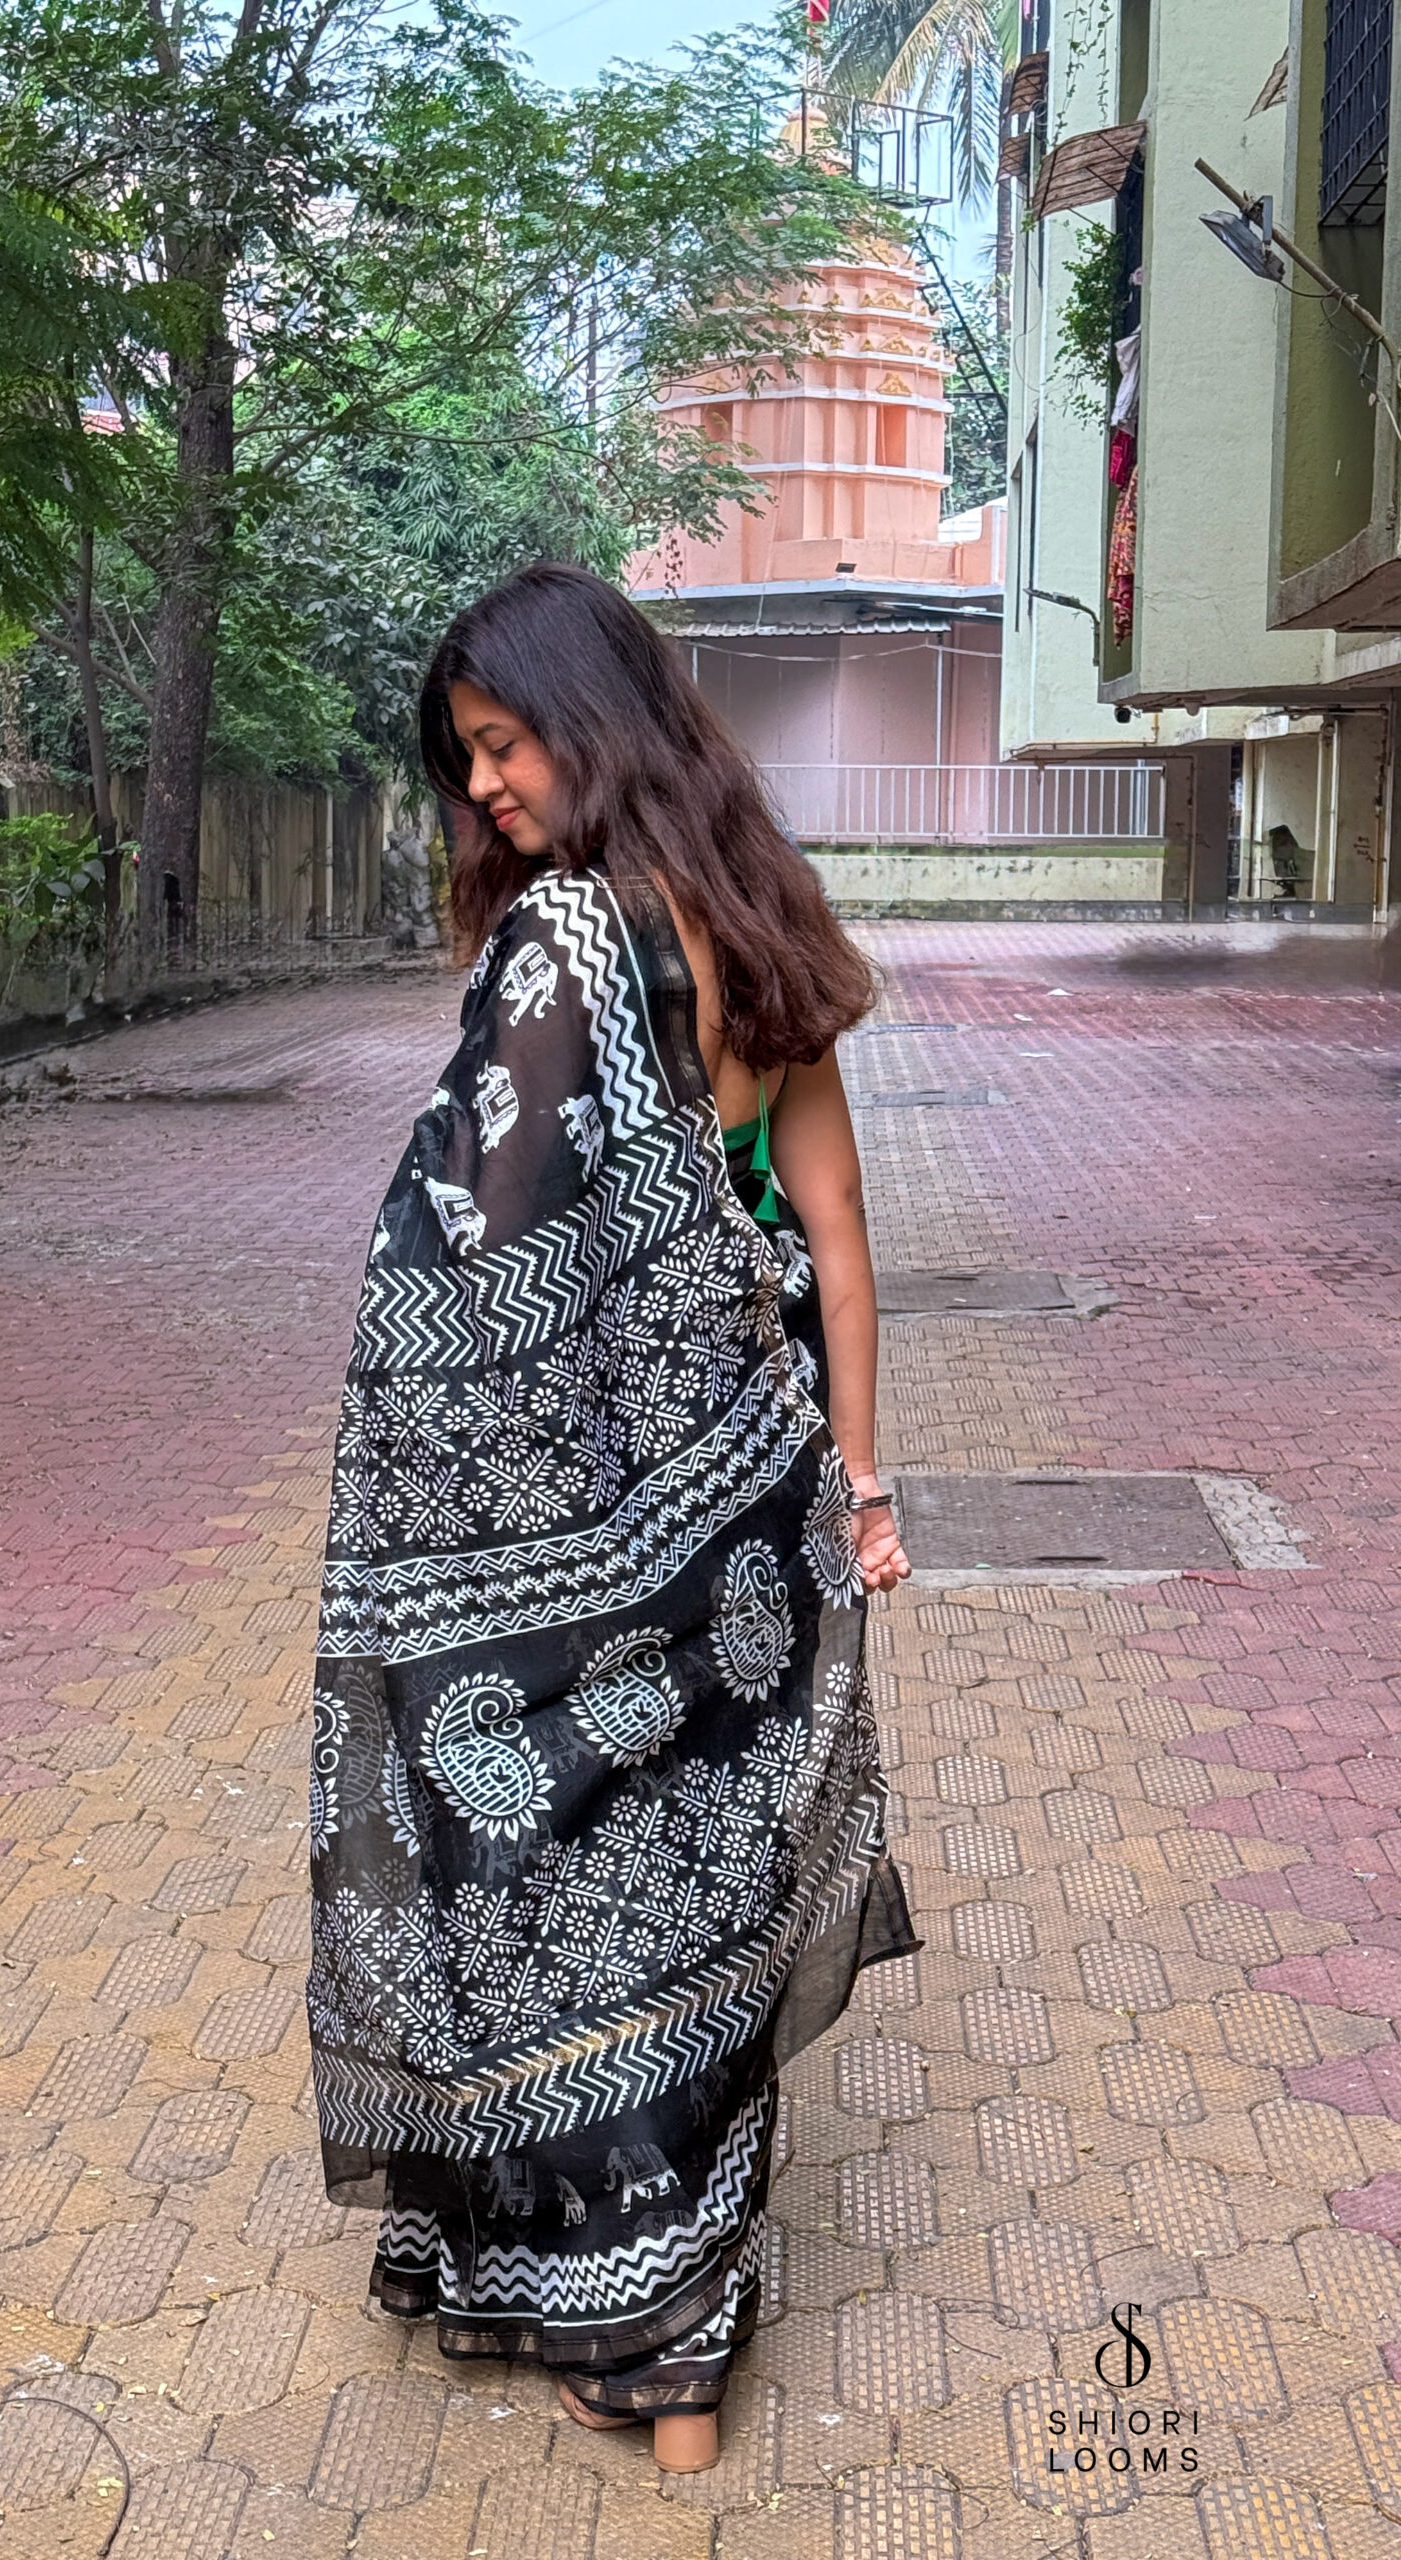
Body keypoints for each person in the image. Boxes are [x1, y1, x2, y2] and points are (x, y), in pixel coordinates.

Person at [306, 563, 919, 2476]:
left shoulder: (570, 938)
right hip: (760, 1507)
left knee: (560, 1890)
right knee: (709, 1888)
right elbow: (831, 1238)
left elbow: (463, 1259)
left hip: (595, 1524)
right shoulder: (756, 922)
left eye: (500, 745)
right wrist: (863, 1487)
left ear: (590, 717)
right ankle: (690, 2339)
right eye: (465, 762)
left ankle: (645, 2332)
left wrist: (400, 1481)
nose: (482, 787)